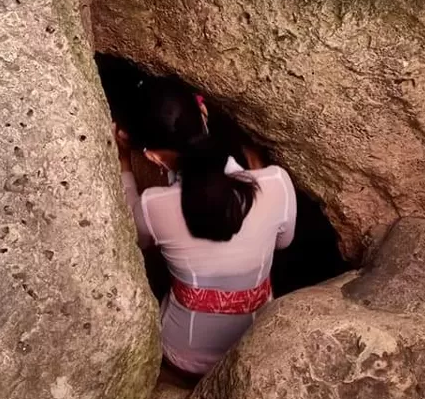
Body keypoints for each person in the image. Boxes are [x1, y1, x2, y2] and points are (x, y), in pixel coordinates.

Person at [115, 78, 297, 375]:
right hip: (254, 344)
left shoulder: (153, 205)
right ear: (204, 115)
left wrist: (124, 162)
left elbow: (133, 236)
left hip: (184, 354)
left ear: (153, 156)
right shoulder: (276, 181)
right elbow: (283, 242)